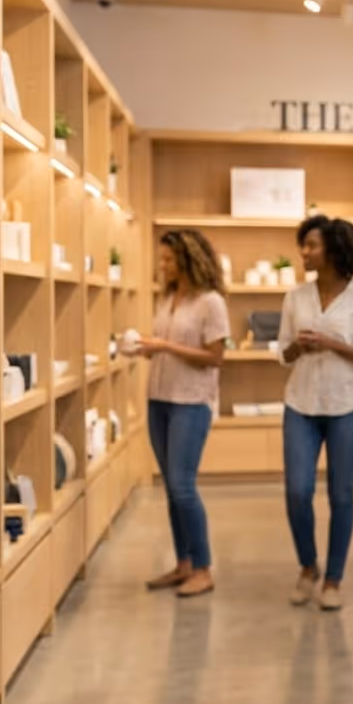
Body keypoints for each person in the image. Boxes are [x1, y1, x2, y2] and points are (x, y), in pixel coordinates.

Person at [278, 216, 353, 610]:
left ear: (335, 250)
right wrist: (299, 348)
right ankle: (308, 566)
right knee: (297, 491)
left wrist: (332, 343)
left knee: (341, 494)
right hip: (300, 404)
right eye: (303, 245)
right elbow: (282, 354)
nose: (304, 252)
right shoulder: (295, 298)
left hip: (347, 407)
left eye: (311, 245)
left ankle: (334, 578)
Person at [137, 229, 230, 598]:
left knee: (182, 485)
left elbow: (215, 357)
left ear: (189, 260)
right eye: (161, 260)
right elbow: (167, 346)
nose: (163, 266)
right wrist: (149, 349)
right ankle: (183, 564)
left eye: (169, 260)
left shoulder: (210, 303)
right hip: (158, 399)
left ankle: (203, 567)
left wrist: (165, 346)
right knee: (172, 489)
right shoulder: (168, 299)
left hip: (191, 402)